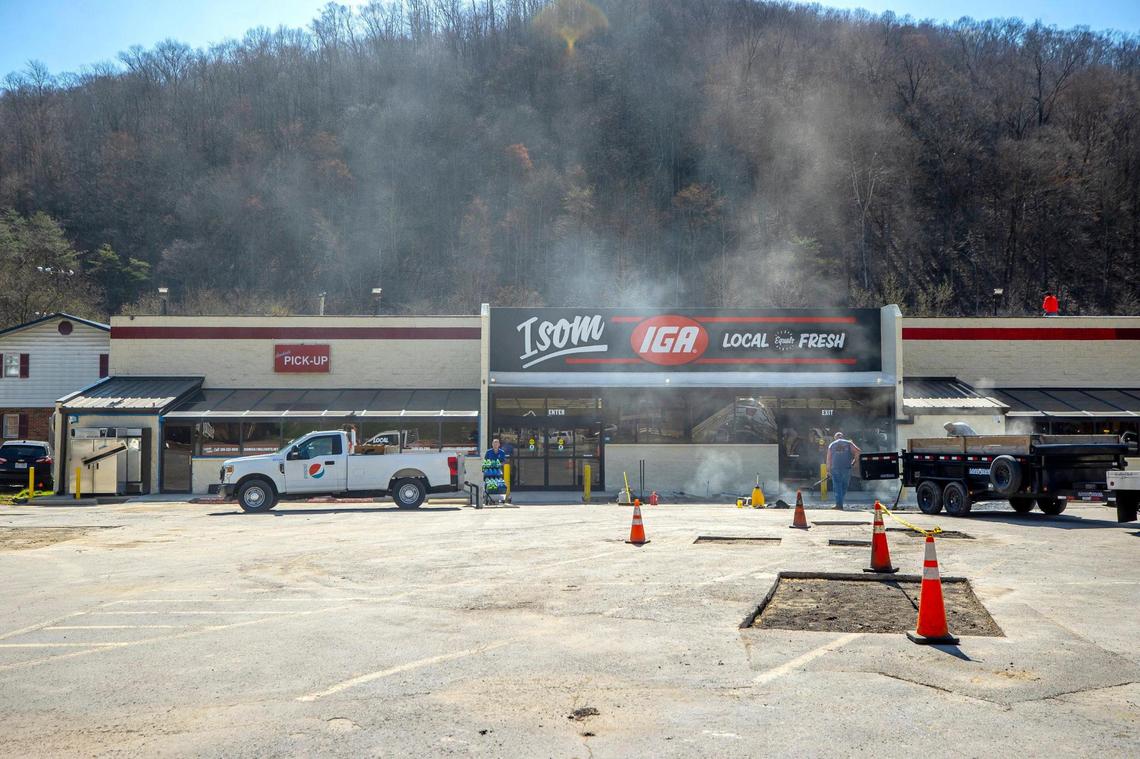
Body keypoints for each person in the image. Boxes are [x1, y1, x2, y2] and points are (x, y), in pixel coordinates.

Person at [825, 431, 861, 510]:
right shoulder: (848, 443)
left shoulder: (832, 445)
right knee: (844, 486)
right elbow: (858, 451)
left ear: (835, 438)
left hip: (835, 468)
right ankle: (840, 503)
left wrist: (828, 471)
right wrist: (854, 462)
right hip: (847, 468)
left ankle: (839, 505)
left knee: (837, 486)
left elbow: (828, 459)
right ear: (842, 437)